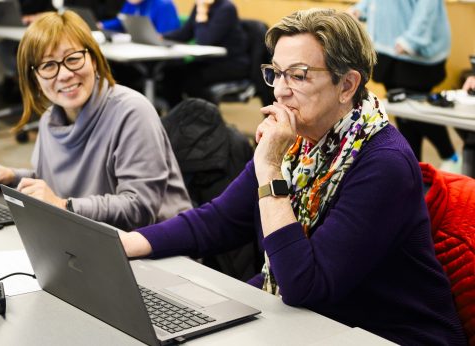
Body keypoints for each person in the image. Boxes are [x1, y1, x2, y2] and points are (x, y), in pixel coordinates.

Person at [120, 8, 466, 345]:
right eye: (276, 73)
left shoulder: (384, 163)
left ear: (347, 85)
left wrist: (269, 170)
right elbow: (220, 219)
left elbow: (305, 285)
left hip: (386, 333)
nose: (280, 91)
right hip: (313, 320)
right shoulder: (299, 139)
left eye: (298, 75)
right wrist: (130, 244)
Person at [0, 10, 192, 230]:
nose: (64, 74)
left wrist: (63, 206)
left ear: (94, 60)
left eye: (73, 59)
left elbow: (139, 209)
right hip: (94, 237)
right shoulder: (50, 120)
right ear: (35, 80)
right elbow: (54, 183)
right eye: (48, 66)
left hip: (158, 249)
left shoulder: (132, 112)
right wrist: (12, 177)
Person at [349, 0, 461, 173]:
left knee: (417, 111)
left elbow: (427, 7)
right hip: (387, 47)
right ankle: (414, 166)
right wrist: (360, 9)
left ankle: (450, 156)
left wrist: (411, 40)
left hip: (414, 52)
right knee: (403, 115)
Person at [159, 0, 249, 107]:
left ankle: (211, 118)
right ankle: (178, 116)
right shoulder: (200, 4)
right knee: (171, 73)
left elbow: (204, 40)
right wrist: (162, 37)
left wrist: (202, 13)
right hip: (209, 61)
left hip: (231, 63)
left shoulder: (226, 8)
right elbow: (185, 33)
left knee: (191, 81)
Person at [98, 0, 180, 34]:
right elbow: (121, 21)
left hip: (161, 57)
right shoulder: (131, 3)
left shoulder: (164, 5)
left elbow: (166, 36)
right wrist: (102, 25)